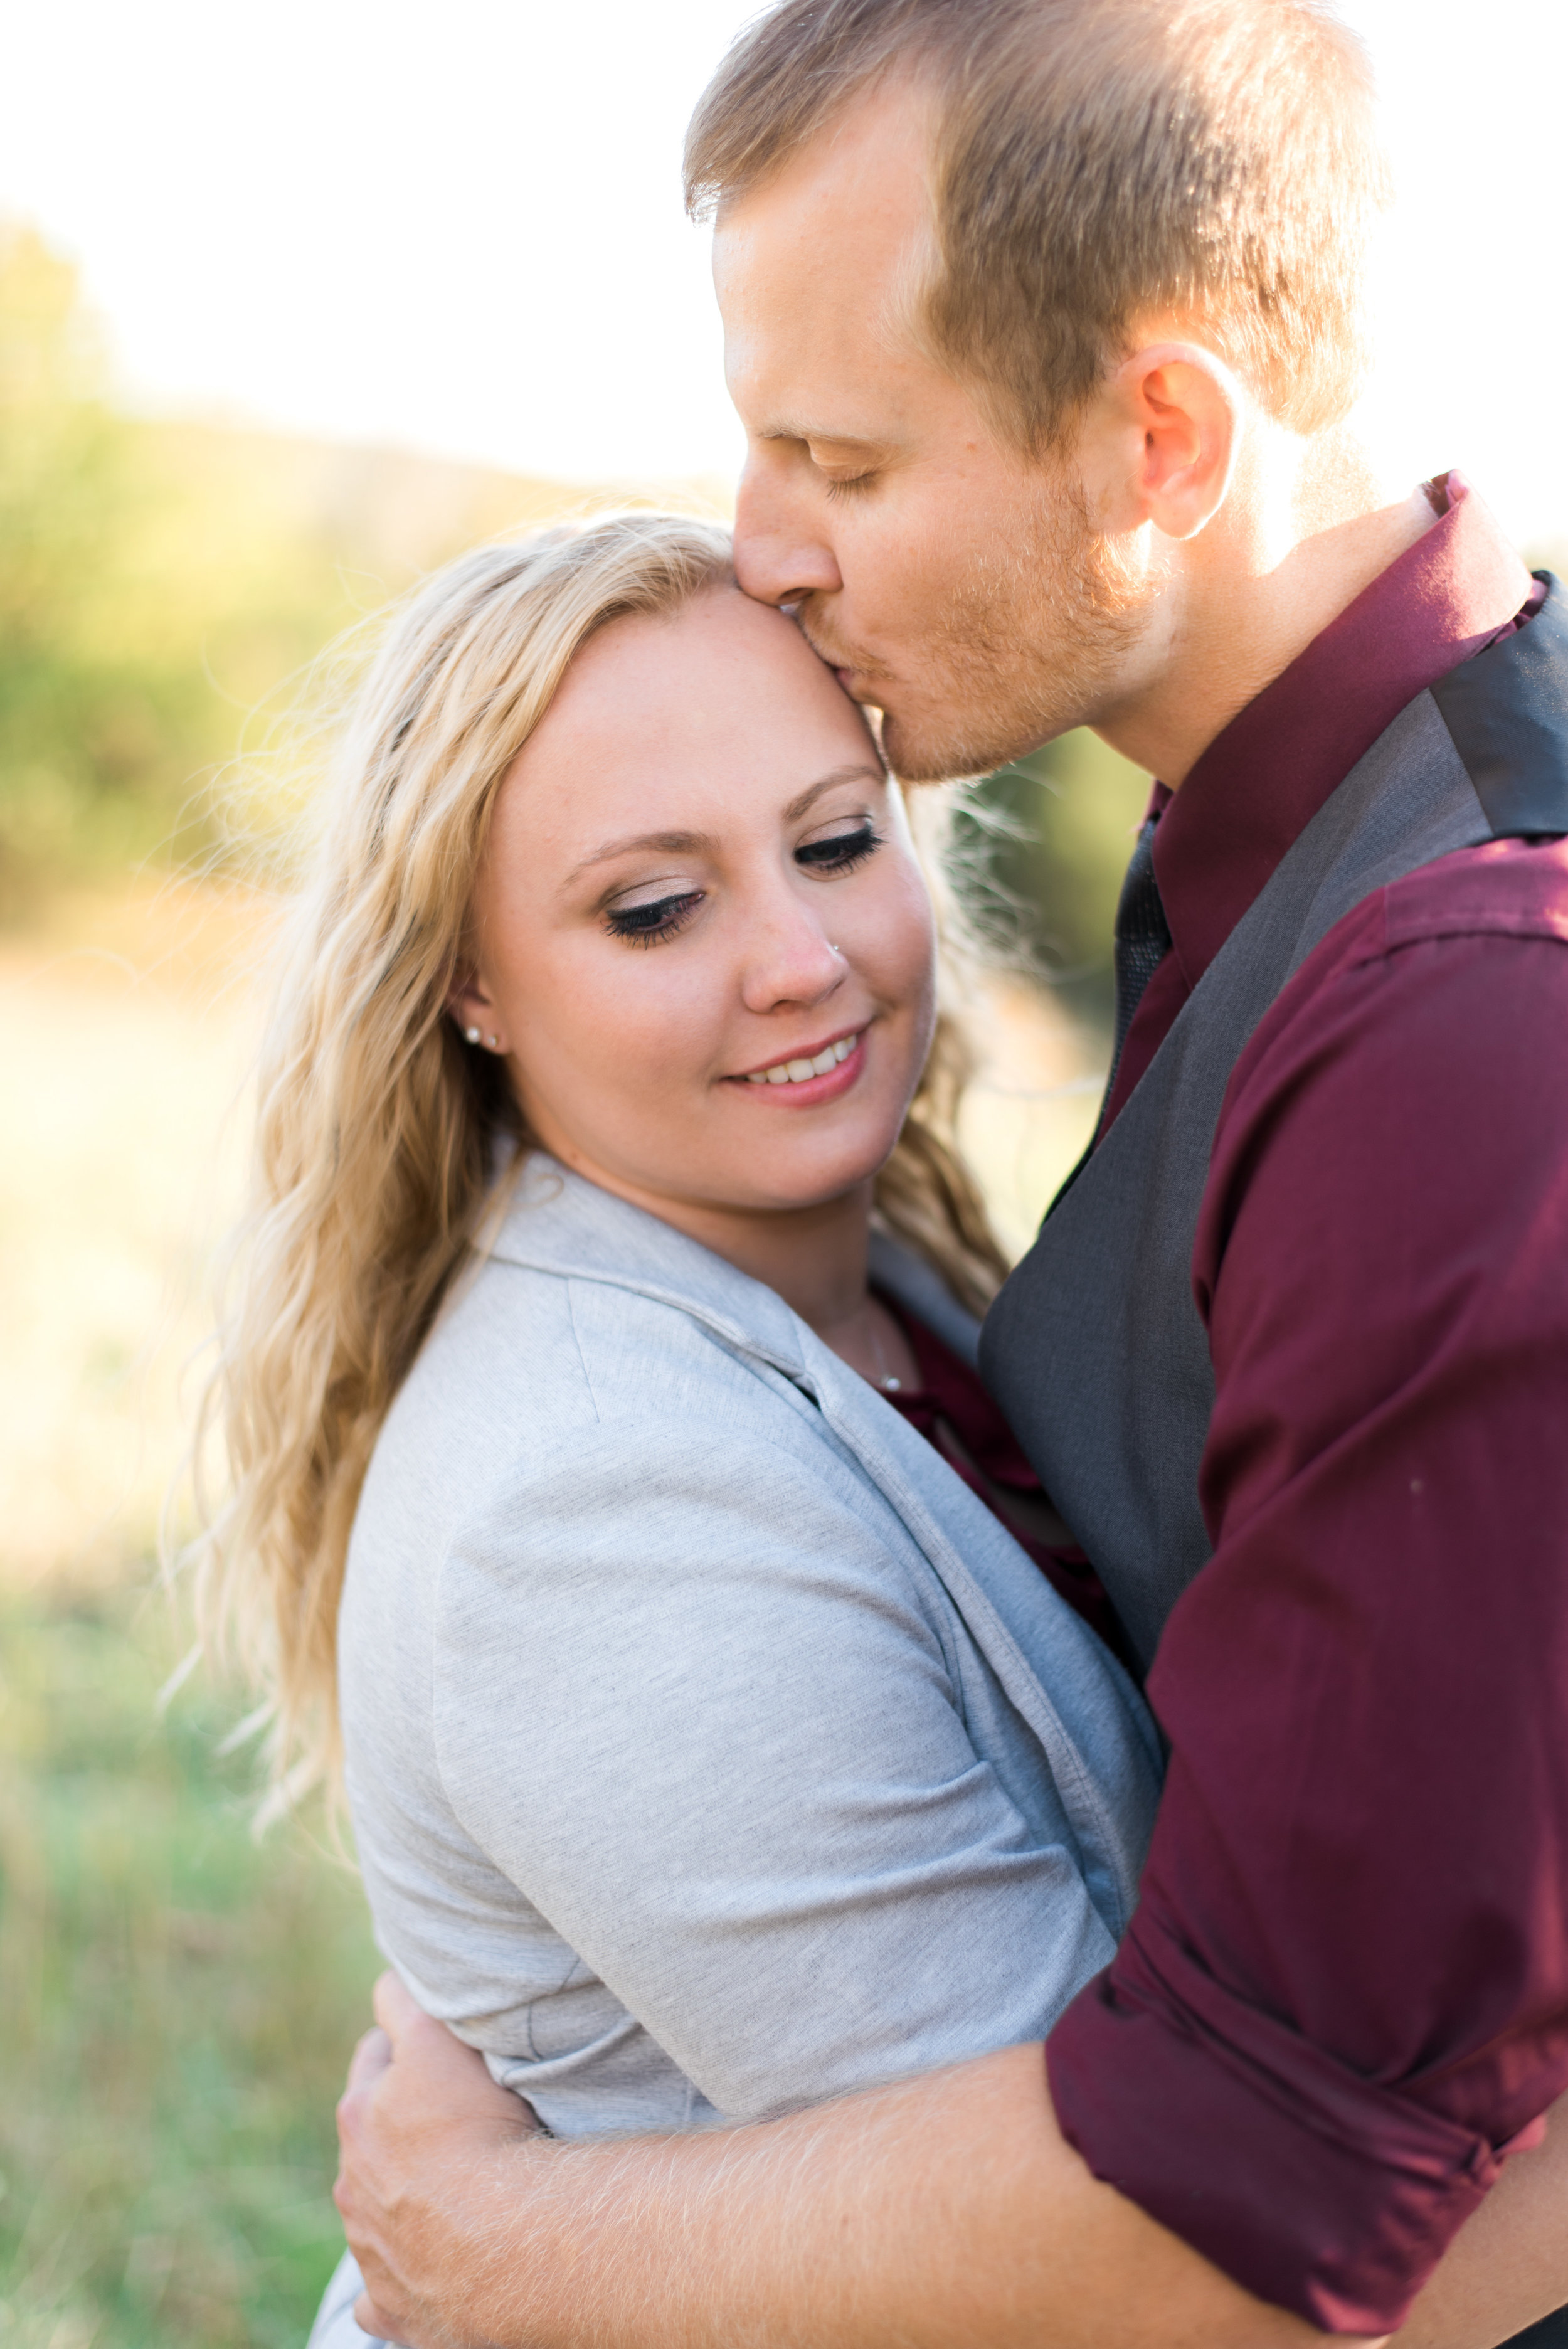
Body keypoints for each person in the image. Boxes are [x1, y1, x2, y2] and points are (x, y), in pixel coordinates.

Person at [329, 1, 1568, 2346]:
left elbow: (1272, 2194)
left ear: (1161, 436)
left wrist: (497, 2253)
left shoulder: (1466, 1020)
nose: (761, 548)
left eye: (840, 458)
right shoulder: (1263, 843)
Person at [194, 511, 1168, 2349]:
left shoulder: (869, 1273)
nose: (799, 957)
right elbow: (1111, 2258)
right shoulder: (589, 1495)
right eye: (655, 904)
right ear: (468, 983)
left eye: (832, 839)